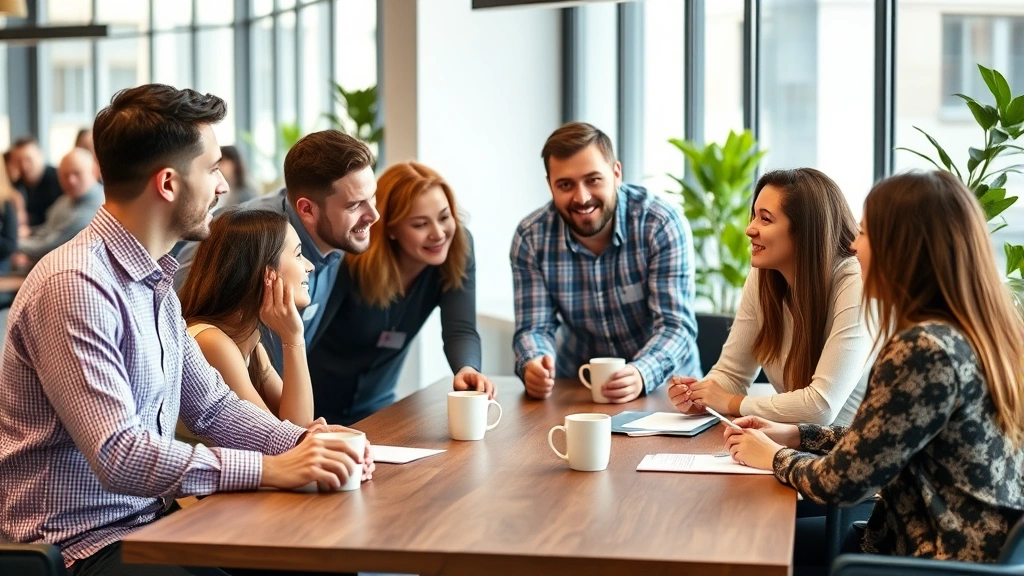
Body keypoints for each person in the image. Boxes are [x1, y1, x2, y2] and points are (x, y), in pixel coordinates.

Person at [0, 84, 374, 576]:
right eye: (213, 169)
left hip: (150, 523)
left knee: (315, 557)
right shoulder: (76, 285)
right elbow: (118, 454)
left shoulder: (152, 280)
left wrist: (304, 445)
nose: (223, 186)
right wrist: (270, 467)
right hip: (82, 546)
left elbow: (215, 408)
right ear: (170, 184)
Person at [724, 171, 1024, 566]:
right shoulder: (969, 333)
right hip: (965, 553)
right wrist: (798, 434)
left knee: (749, 544)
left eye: (865, 233)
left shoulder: (923, 349)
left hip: (927, 560)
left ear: (901, 249)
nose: (853, 245)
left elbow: (843, 483)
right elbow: (884, 439)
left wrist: (773, 456)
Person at [511, 121, 700, 403]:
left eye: (593, 180)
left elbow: (676, 326)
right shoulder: (531, 238)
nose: (582, 197)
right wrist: (534, 362)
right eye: (565, 184)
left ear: (616, 173)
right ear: (550, 185)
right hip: (579, 392)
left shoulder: (660, 223)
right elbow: (534, 328)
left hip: (671, 392)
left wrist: (640, 373)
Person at [668, 168, 873, 426]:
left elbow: (820, 408)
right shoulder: (763, 277)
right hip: (791, 445)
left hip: (850, 456)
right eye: (753, 216)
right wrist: (700, 395)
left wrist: (730, 403)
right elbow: (731, 375)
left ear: (805, 231)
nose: (749, 229)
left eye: (765, 219)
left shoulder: (855, 283)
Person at [174, 130, 379, 376]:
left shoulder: (339, 233)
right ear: (307, 209)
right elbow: (185, 319)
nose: (374, 216)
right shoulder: (249, 238)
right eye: (355, 205)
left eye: (373, 197)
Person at [320, 162, 494, 424]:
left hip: (379, 411)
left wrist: (467, 369)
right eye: (420, 224)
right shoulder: (351, 262)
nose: (438, 234)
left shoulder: (457, 249)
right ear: (390, 228)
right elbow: (304, 338)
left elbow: (460, 329)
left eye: (445, 217)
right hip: (315, 412)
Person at [178, 208, 317, 428]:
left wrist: (293, 338)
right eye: (298, 254)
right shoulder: (211, 341)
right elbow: (279, 436)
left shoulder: (250, 343)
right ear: (265, 272)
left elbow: (298, 426)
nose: (310, 266)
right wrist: (293, 336)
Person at [13, 147, 104, 266]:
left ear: (94, 171)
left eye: (77, 173)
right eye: (65, 175)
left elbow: (51, 246)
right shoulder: (64, 201)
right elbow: (47, 230)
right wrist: (28, 233)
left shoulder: (98, 205)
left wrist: (11, 243)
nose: (71, 180)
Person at [9, 135, 63, 226]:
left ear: (40, 155)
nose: (24, 166)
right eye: (19, 161)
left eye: (28, 160)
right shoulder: (15, 186)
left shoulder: (60, 181)